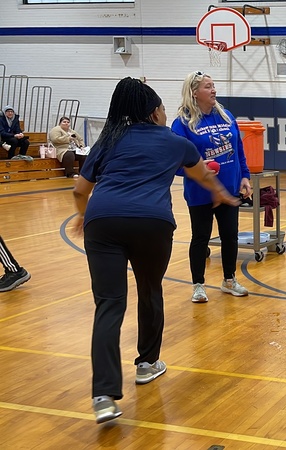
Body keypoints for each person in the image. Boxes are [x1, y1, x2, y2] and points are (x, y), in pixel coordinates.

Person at [72, 77, 239, 424]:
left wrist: (84, 215)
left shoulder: (108, 139)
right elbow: (202, 175)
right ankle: (147, 364)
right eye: (162, 108)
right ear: (153, 113)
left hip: (102, 223)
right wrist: (221, 193)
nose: (165, 113)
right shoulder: (173, 140)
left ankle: (104, 396)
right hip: (152, 222)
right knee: (149, 290)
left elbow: (79, 190)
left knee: (109, 305)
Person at [172, 71, 253, 303]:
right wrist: (199, 167)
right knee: (201, 237)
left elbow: (238, 149)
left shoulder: (226, 116)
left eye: (213, 85)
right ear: (194, 92)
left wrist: (245, 176)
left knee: (230, 236)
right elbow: (175, 162)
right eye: (208, 87)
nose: (213, 90)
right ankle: (198, 285)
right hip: (200, 192)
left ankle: (229, 280)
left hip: (229, 189)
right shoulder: (182, 123)